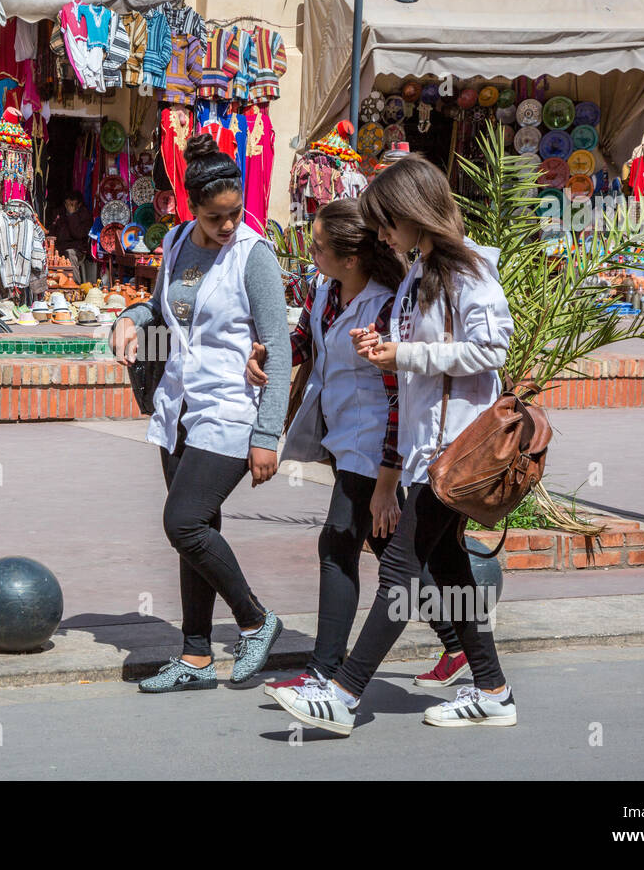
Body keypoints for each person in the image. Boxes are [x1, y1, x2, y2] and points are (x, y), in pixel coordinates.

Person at [273, 153, 517, 735]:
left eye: (388, 221)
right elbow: (411, 365)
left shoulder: (469, 273)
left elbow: (492, 350)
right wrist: (382, 346)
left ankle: (343, 691)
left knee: (400, 567)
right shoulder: (416, 274)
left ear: (415, 214)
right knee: (451, 571)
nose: (383, 234)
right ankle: (493, 690)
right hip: (423, 456)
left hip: (457, 451)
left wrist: (404, 354)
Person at [245, 198, 471, 697]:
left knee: (338, 542)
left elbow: (399, 397)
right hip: (341, 433)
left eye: (320, 246)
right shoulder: (324, 290)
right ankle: (459, 641)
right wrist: (270, 353)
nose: (312, 252)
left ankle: (325, 670)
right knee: (389, 547)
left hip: (375, 441)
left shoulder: (388, 305)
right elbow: (305, 339)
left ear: (351, 257)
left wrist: (388, 482)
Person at [111, 134, 291, 693]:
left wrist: (267, 434)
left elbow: (278, 347)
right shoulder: (178, 242)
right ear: (192, 208)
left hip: (232, 410)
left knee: (182, 521)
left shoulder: (253, 256)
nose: (228, 225)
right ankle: (194, 657)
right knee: (199, 533)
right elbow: (161, 304)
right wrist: (129, 319)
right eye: (216, 217)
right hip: (179, 408)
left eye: (235, 214)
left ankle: (257, 620)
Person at [51, 191, 95, 284]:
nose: (69, 206)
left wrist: (72, 215)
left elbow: (78, 234)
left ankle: (74, 284)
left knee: (70, 253)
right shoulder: (60, 213)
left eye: (72, 204)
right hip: (60, 247)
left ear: (79, 204)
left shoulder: (85, 215)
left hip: (77, 249)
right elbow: (54, 232)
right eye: (67, 204)